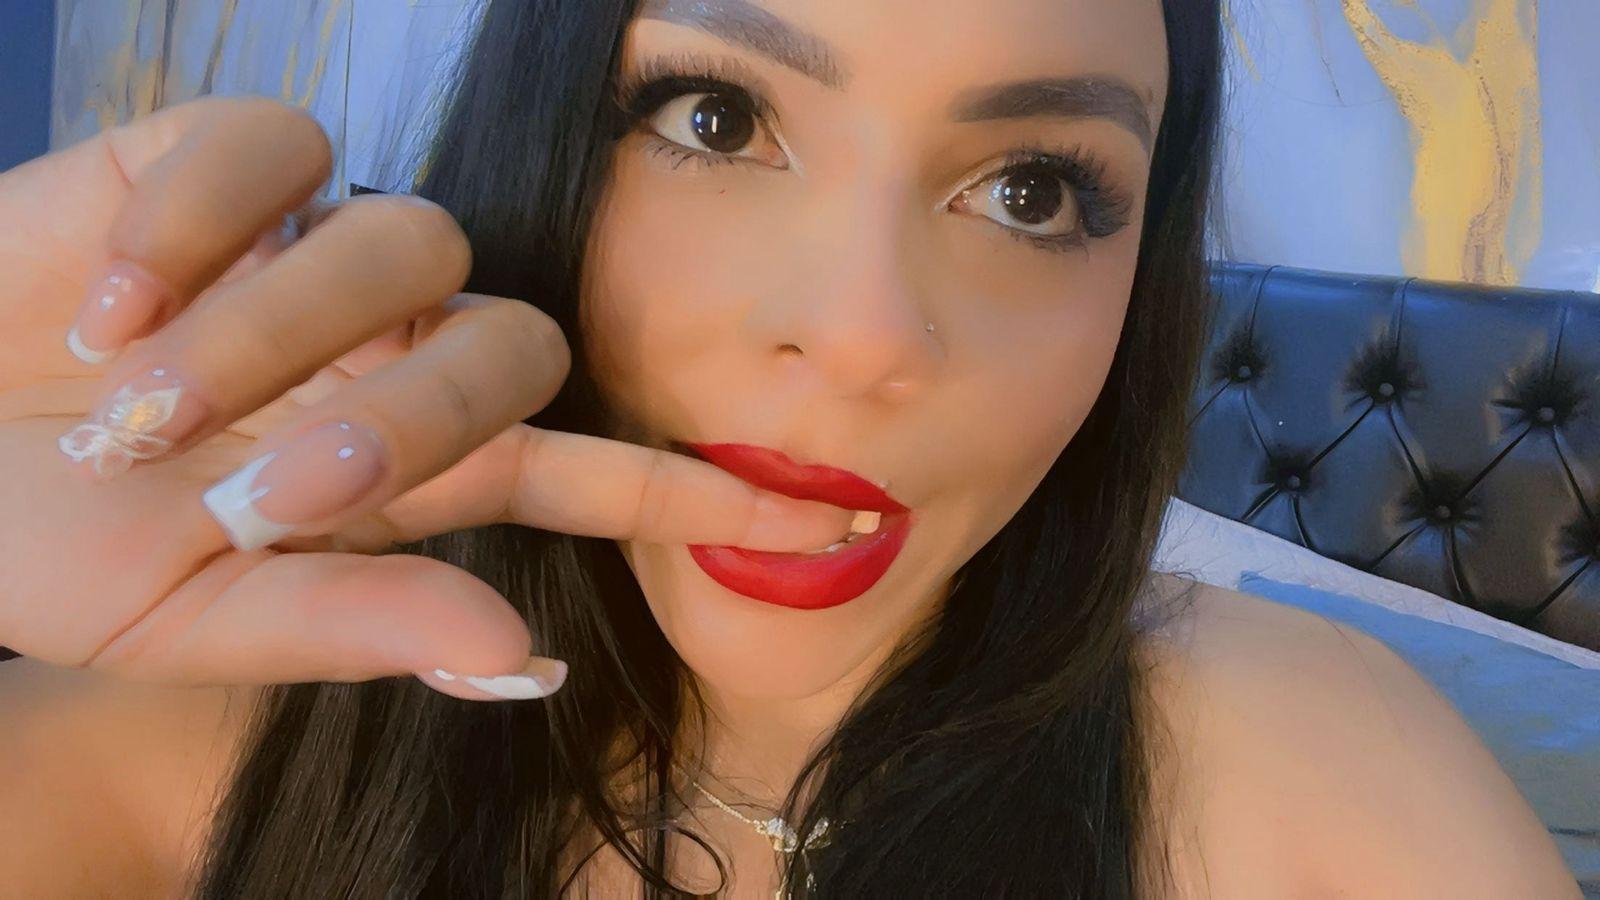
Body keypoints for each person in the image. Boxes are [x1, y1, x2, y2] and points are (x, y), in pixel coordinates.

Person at [0, 0, 1581, 896]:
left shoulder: (1294, 762)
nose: (867, 334)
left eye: (1033, 190)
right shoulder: (185, 745)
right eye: (714, 117)